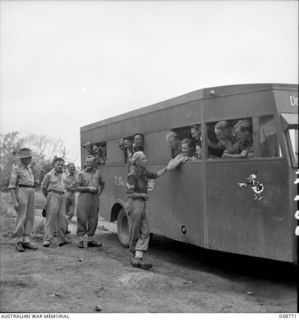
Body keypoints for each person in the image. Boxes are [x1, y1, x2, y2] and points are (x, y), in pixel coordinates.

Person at [126, 151, 167, 270]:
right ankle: (134, 257)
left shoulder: (144, 172)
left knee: (146, 231)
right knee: (135, 231)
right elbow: (129, 193)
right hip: (135, 204)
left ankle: (138, 256)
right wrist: (143, 195)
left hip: (142, 204)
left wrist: (168, 168)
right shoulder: (132, 175)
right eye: (144, 159)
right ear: (137, 162)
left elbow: (157, 174)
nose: (146, 160)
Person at [8, 148, 38, 252]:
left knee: (30, 216)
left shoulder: (29, 169)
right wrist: (15, 201)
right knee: (21, 216)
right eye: (28, 157)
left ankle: (26, 239)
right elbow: (11, 186)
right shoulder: (16, 169)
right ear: (23, 158)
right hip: (22, 191)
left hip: (31, 191)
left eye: (30, 157)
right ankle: (18, 240)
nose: (30, 158)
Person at [76, 156, 105, 248]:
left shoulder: (98, 173)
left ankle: (90, 240)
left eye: (90, 162)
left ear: (94, 163)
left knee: (94, 218)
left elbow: (102, 183)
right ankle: (80, 239)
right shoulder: (81, 173)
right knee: (82, 217)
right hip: (84, 196)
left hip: (95, 197)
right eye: (87, 162)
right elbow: (77, 187)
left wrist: (99, 193)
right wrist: (88, 188)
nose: (88, 164)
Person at [41, 157, 69, 247]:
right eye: (58, 164)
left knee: (62, 218)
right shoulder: (49, 175)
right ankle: (47, 239)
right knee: (51, 218)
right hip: (52, 195)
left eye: (62, 164)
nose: (60, 166)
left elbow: (67, 185)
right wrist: (48, 197)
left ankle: (61, 239)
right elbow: (43, 187)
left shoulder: (65, 174)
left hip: (62, 196)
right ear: (54, 164)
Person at [63, 163, 78, 234]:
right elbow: (67, 185)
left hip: (73, 194)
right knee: (64, 212)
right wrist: (74, 183)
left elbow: (78, 183)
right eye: (71, 167)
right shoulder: (65, 175)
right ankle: (64, 229)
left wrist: (74, 183)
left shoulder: (75, 174)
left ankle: (64, 226)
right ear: (68, 168)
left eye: (73, 167)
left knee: (71, 213)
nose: (73, 168)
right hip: (66, 193)